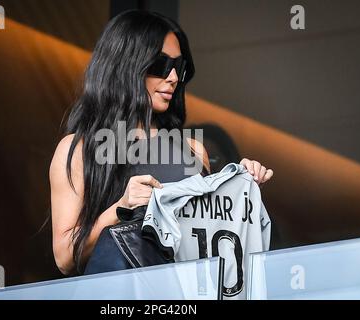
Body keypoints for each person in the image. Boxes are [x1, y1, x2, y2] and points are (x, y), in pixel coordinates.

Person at [49, 10, 274, 276]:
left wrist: (237, 185)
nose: (173, 77)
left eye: (179, 67)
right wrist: (120, 209)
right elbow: (64, 257)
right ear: (127, 65)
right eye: (161, 64)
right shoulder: (78, 149)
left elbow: (211, 240)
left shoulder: (192, 149)